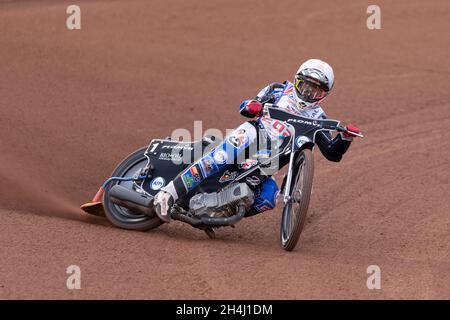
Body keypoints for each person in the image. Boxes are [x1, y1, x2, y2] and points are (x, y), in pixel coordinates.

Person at [153, 59, 361, 222]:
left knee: (269, 197)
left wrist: (345, 137)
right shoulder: (278, 90)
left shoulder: (320, 119)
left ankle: (216, 213)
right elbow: (247, 106)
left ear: (324, 94)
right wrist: (253, 106)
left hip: (266, 166)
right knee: (221, 156)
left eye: (316, 90)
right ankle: (168, 193)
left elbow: (332, 154)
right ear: (296, 81)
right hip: (253, 136)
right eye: (305, 85)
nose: (308, 93)